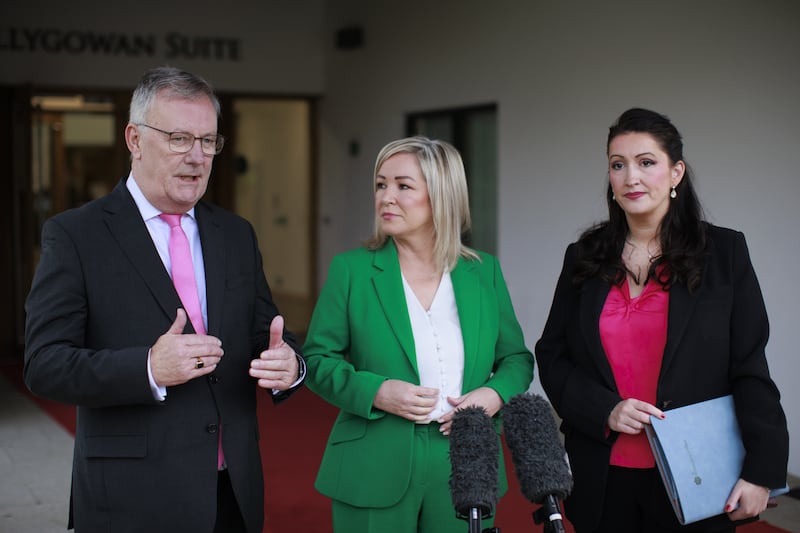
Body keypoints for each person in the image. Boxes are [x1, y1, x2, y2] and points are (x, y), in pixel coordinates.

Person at [23, 66, 305, 533]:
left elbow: (268, 333)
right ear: (134, 138)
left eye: (209, 141)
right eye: (179, 138)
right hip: (132, 495)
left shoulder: (235, 234)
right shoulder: (76, 235)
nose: (197, 156)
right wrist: (150, 367)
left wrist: (289, 365)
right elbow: (44, 363)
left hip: (232, 490)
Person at [535, 108, 789, 533]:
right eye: (618, 165)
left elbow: (749, 366)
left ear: (676, 173)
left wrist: (763, 469)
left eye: (646, 162)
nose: (631, 177)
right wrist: (605, 409)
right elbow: (553, 355)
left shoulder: (724, 254)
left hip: (697, 474)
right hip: (603, 472)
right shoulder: (583, 255)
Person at [302, 136, 534, 533]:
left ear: (441, 195)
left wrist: (491, 396)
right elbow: (317, 360)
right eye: (380, 184)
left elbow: (516, 358)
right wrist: (376, 392)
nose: (386, 197)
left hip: (466, 460)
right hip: (373, 460)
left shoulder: (483, 272)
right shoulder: (351, 271)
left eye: (403, 186)